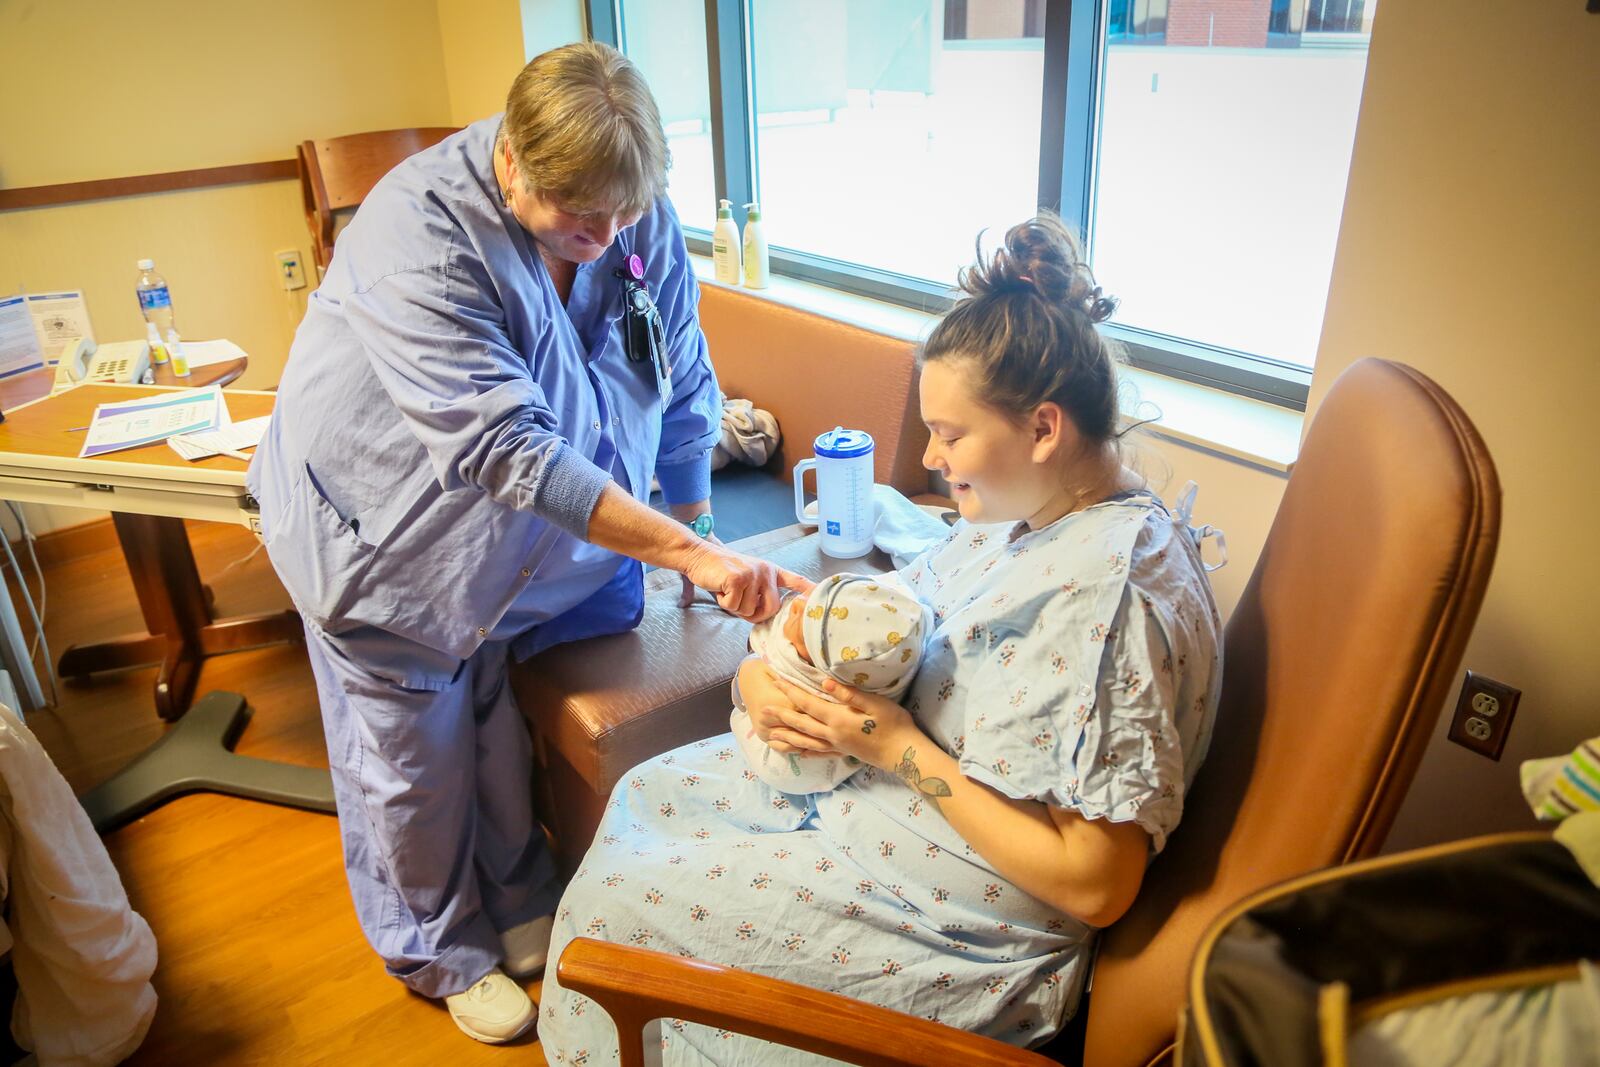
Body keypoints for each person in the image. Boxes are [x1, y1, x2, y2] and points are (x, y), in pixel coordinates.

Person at [537, 215, 1224, 1063]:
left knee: (625, 905)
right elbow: (928, 600)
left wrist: (892, 745)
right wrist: (786, 640)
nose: (932, 458)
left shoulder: (1111, 599)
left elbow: (1097, 881)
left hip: (954, 931)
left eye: (951, 433)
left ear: (1044, 427)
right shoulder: (1034, 513)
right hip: (875, 810)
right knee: (645, 796)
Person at [247, 42, 804, 1044]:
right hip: (392, 535)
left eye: (624, 213)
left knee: (497, 718)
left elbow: (680, 377)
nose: (606, 236)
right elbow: (506, 448)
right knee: (411, 756)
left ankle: (515, 894)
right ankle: (437, 944)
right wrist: (683, 552)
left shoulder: (630, 216)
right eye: (581, 216)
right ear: (511, 163)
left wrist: (700, 518)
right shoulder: (415, 234)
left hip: (543, 546)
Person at [731, 573, 933, 793]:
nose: (797, 605)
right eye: (814, 598)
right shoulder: (899, 612)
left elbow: (763, 647)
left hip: (792, 768)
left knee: (777, 765)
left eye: (800, 625)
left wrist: (751, 670)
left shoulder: (807, 679)